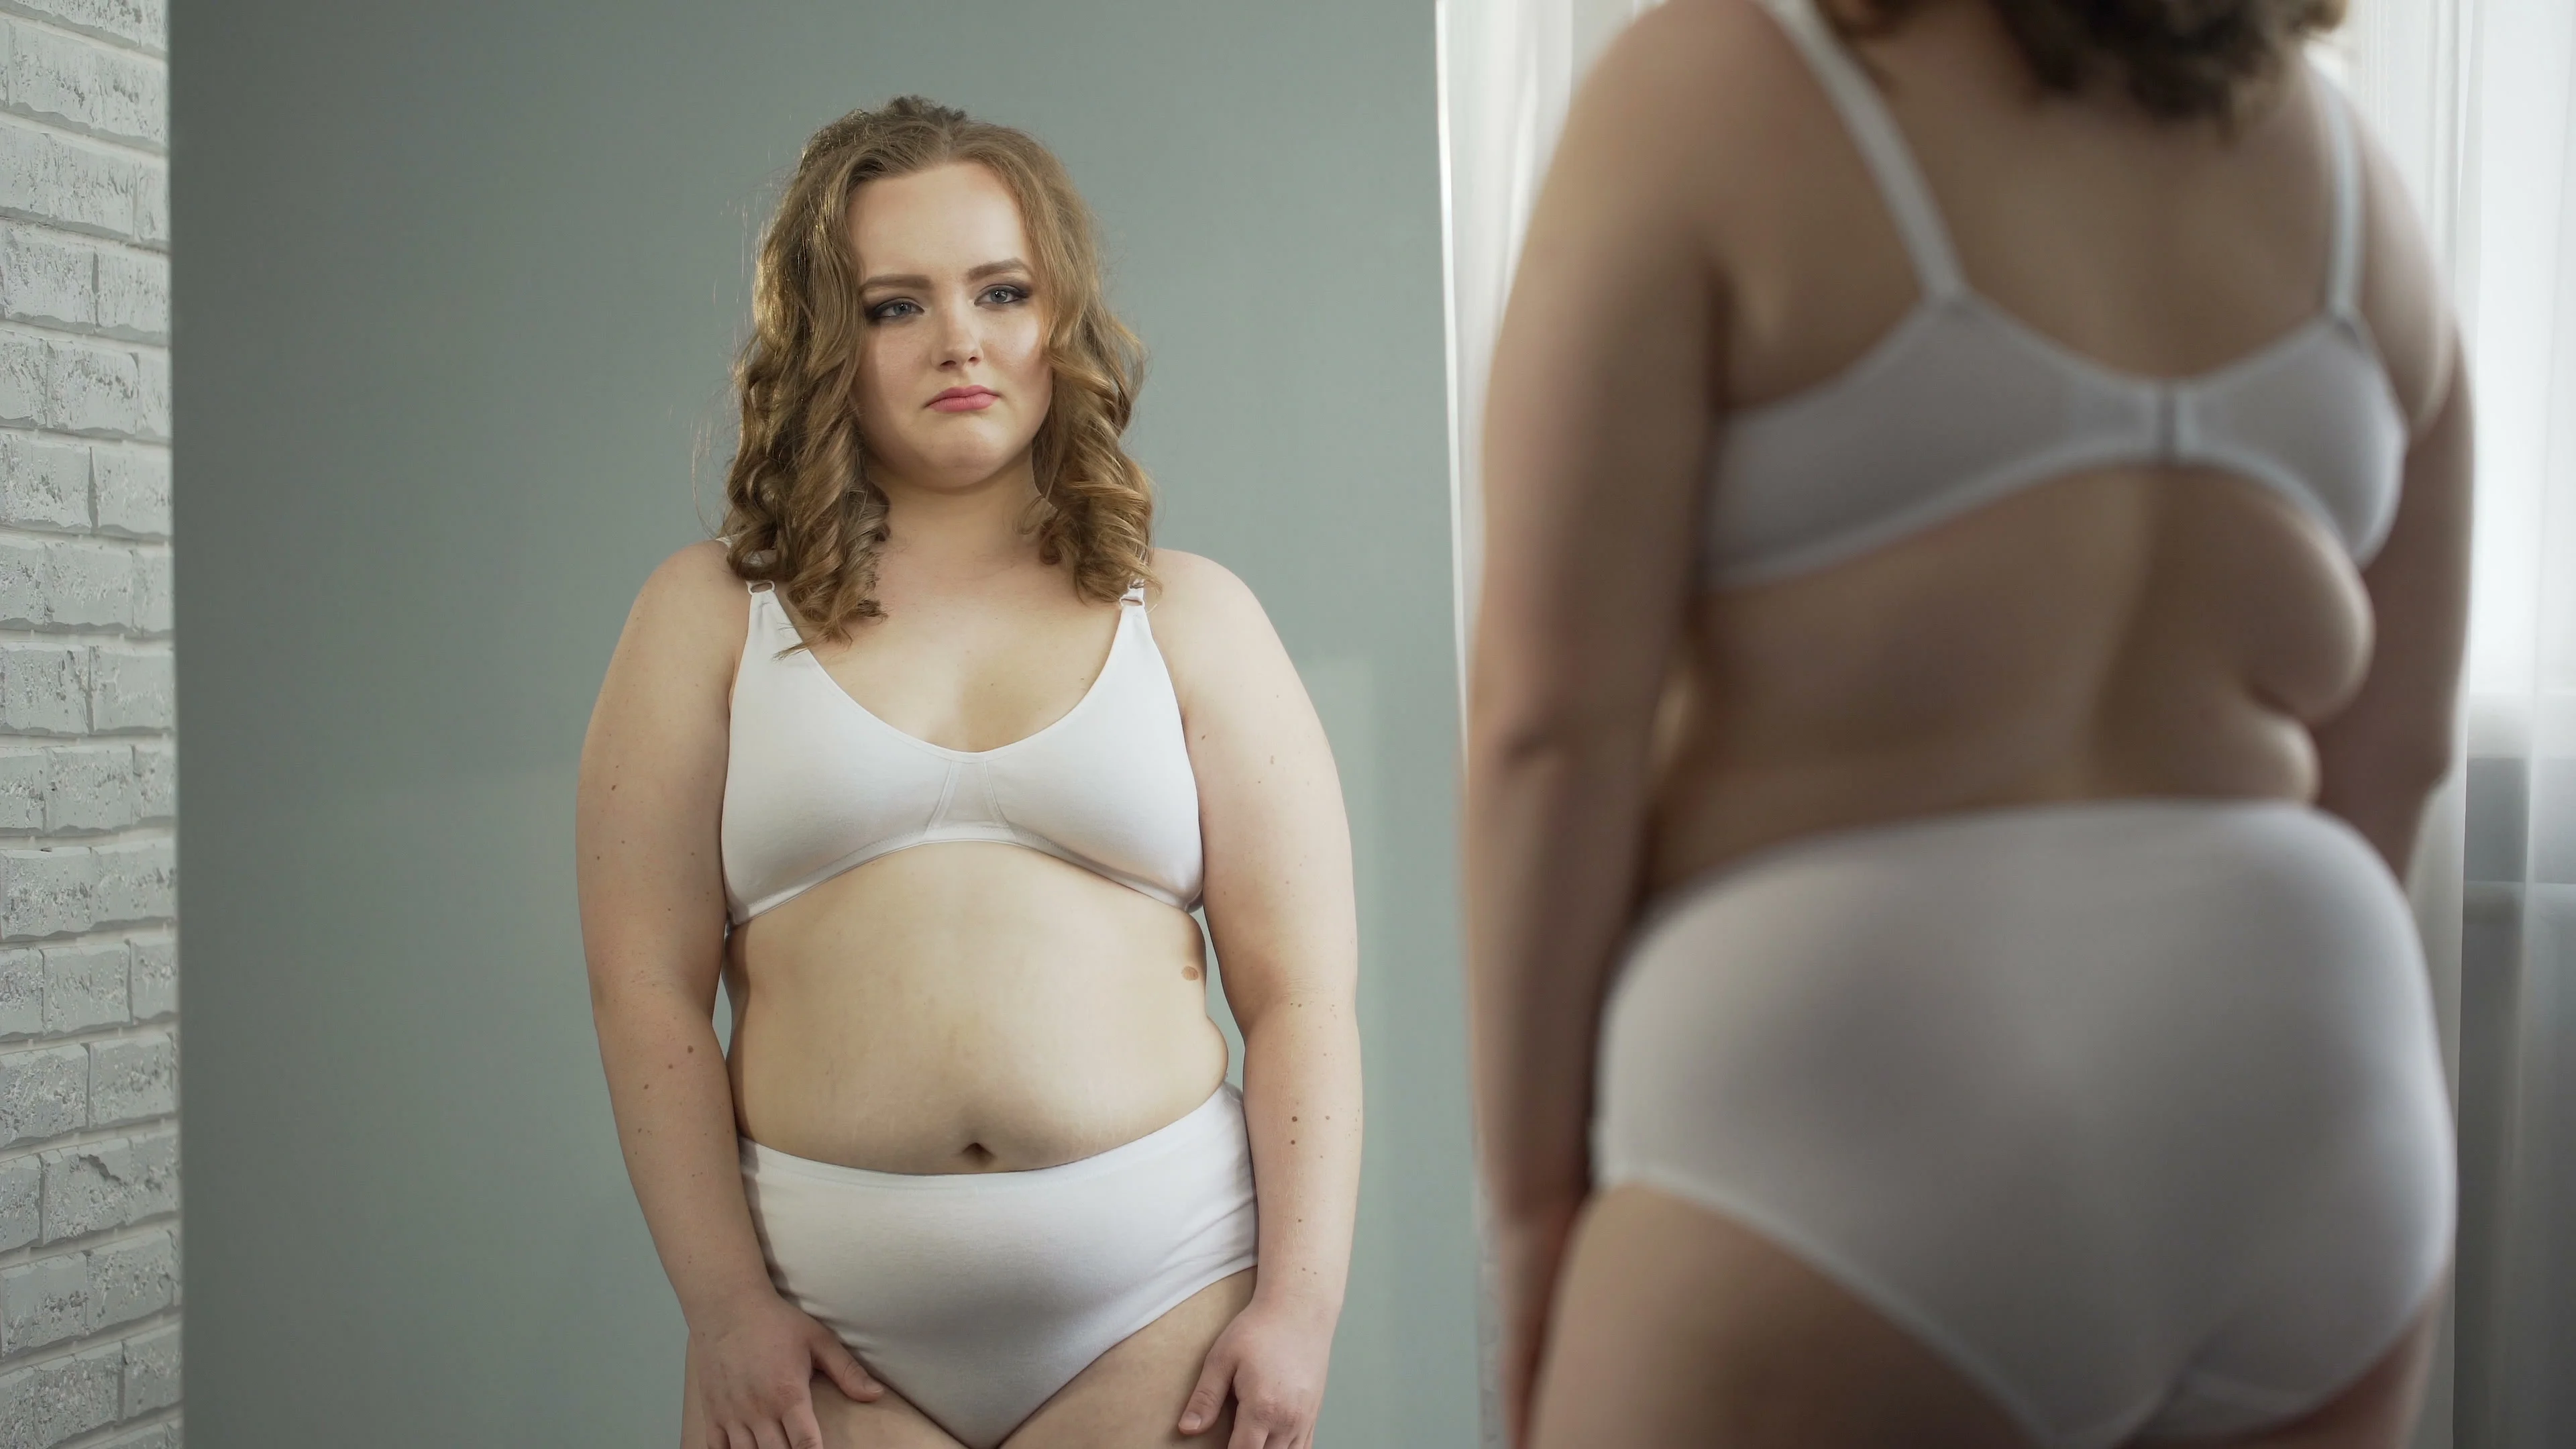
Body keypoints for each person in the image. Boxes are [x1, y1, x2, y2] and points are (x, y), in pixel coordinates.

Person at [1464, 0, 2467, 1444]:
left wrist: (1529, 1217)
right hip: (2311, 1068)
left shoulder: (1720, 81)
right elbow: (2402, 748)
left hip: (1865, 1084)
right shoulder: (2363, 187)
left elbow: (1549, 729)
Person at [576, 97, 1360, 1449]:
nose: (960, 340)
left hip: (1164, 1304)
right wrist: (722, 1308)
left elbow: (1301, 997)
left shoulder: (1192, 615)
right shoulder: (708, 615)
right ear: (831, 340)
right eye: (895, 305)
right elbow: (645, 988)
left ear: (1059, 316)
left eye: (1003, 290)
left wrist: (1300, 1311)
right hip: (821, 1332)